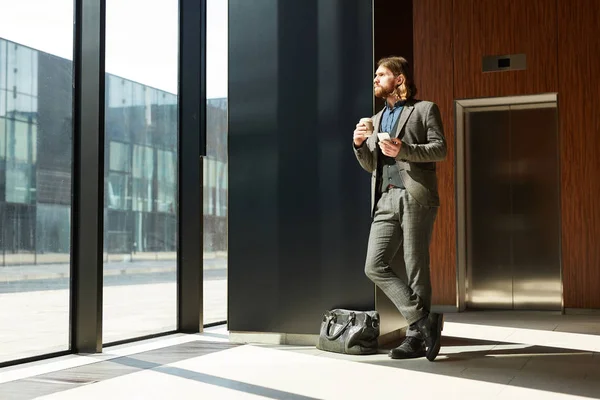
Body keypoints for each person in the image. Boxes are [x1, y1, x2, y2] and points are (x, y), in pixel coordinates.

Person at [353, 56, 447, 361]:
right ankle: (423, 322)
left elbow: (440, 149)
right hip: (384, 197)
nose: (376, 79)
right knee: (373, 265)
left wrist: (403, 149)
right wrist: (358, 144)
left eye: (381, 74)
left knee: (415, 264)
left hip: (414, 195)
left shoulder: (424, 109)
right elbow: (372, 165)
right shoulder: (375, 119)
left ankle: (413, 338)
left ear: (399, 79)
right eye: (375, 75)